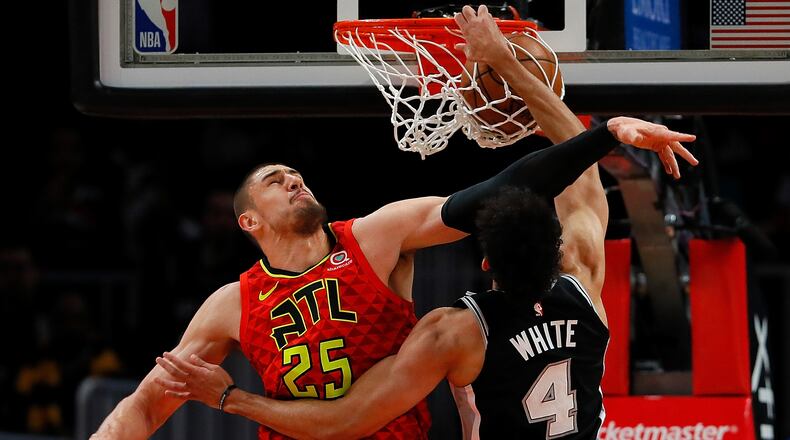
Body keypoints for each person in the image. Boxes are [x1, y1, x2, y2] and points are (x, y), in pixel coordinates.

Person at [92, 5, 697, 439]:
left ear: (485, 258)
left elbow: (494, 191)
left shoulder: (386, 248)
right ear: (248, 220)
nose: (294, 179)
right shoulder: (233, 303)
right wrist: (591, 127)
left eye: (296, 173)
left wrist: (229, 398)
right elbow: (145, 404)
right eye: (276, 180)